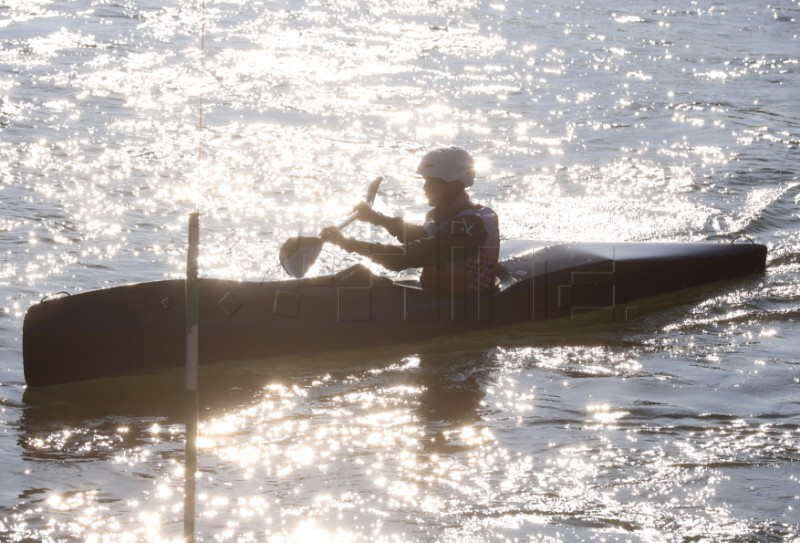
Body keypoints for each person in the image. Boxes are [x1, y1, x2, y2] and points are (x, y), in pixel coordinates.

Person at [319, 147, 500, 297]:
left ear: (453, 185)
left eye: (430, 182)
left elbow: (404, 257)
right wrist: (375, 217)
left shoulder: (471, 227)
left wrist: (345, 242)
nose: (424, 188)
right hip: (436, 294)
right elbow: (417, 236)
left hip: (464, 304)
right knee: (356, 277)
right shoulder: (442, 215)